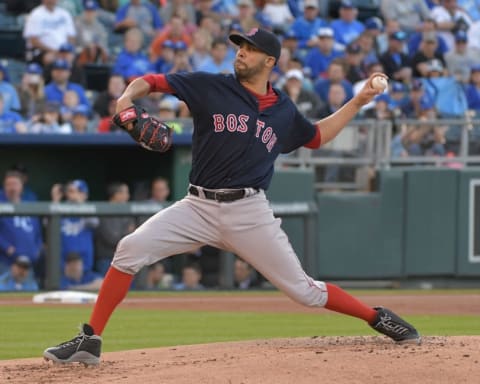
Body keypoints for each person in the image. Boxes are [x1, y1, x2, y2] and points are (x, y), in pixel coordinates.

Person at [43, 28, 420, 366]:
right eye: (240, 45)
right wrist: (126, 98)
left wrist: (357, 102)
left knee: (305, 292)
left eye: (250, 48)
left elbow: (317, 137)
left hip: (249, 212)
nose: (240, 52)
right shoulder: (211, 85)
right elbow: (152, 81)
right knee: (128, 249)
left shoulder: (284, 111)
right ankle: (89, 341)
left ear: (270, 61)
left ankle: (377, 317)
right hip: (197, 205)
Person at [0, 171, 43, 274]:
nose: (12, 188)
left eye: (15, 184)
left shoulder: (29, 206)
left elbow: (37, 233)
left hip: (29, 264)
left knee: (32, 289)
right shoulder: (1, 206)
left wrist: (37, 250)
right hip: (6, 263)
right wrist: (7, 248)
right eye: (8, 185)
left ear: (22, 186)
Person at [94, 182, 136, 276]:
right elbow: (111, 239)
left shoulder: (127, 211)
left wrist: (124, 235)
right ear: (116, 194)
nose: (127, 196)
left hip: (125, 259)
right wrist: (126, 234)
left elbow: (134, 235)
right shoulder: (104, 211)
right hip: (106, 259)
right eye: (125, 193)